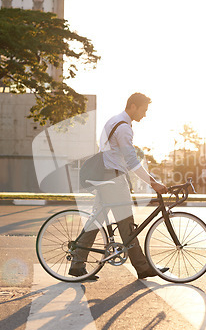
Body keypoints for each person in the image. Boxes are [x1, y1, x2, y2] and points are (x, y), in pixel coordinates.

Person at [70, 92, 168, 280]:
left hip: (106, 177)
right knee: (126, 225)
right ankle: (141, 266)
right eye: (143, 110)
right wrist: (153, 183)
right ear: (133, 106)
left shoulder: (115, 121)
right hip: (113, 179)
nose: (145, 115)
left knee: (96, 221)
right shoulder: (123, 128)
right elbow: (131, 161)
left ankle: (77, 263)